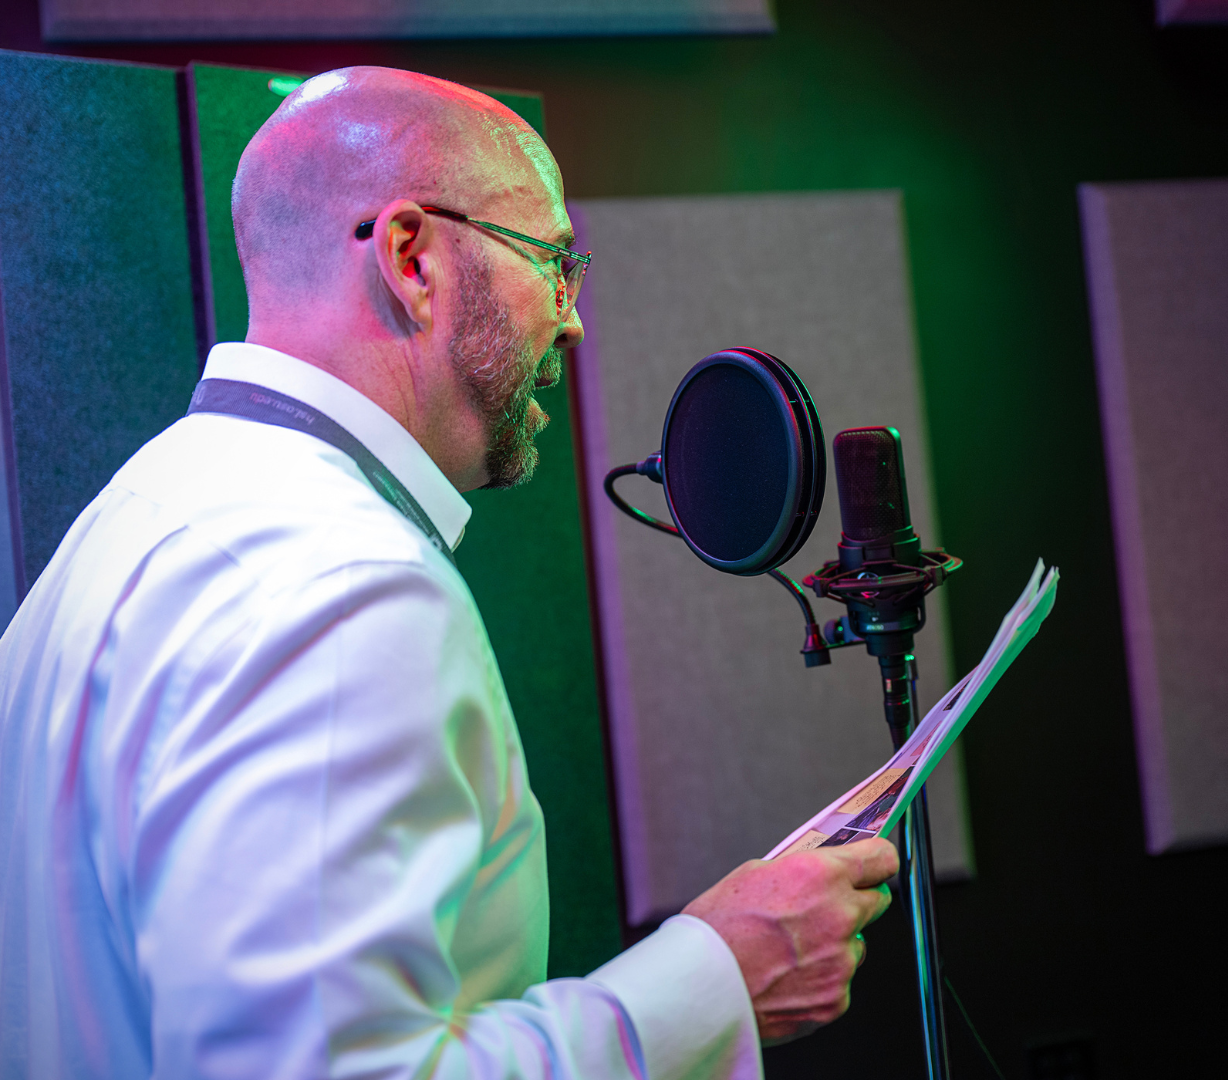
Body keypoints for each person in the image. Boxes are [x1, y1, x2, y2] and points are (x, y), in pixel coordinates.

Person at [0, 67, 898, 1079]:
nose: (572, 320)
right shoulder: (343, 587)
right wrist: (714, 980)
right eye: (550, 262)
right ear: (412, 258)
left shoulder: (133, 517)